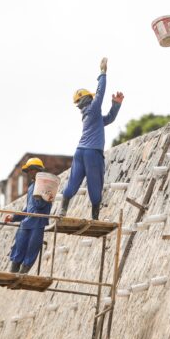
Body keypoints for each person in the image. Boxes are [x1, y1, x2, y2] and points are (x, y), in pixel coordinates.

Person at [59, 57, 123, 220]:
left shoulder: (90, 115)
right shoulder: (93, 108)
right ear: (89, 98)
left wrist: (116, 105)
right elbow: (100, 92)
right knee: (95, 186)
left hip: (80, 151)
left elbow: (108, 119)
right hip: (93, 153)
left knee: (73, 183)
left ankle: (62, 210)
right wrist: (103, 72)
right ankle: (95, 217)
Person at [6, 157, 52, 274]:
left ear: (38, 170)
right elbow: (28, 208)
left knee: (32, 248)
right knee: (19, 246)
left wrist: (40, 197)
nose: (30, 173)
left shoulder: (47, 186)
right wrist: (14, 217)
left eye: (32, 170)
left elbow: (41, 205)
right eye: (29, 171)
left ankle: (22, 274)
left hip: (38, 223)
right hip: (26, 222)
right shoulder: (31, 187)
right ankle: (13, 273)